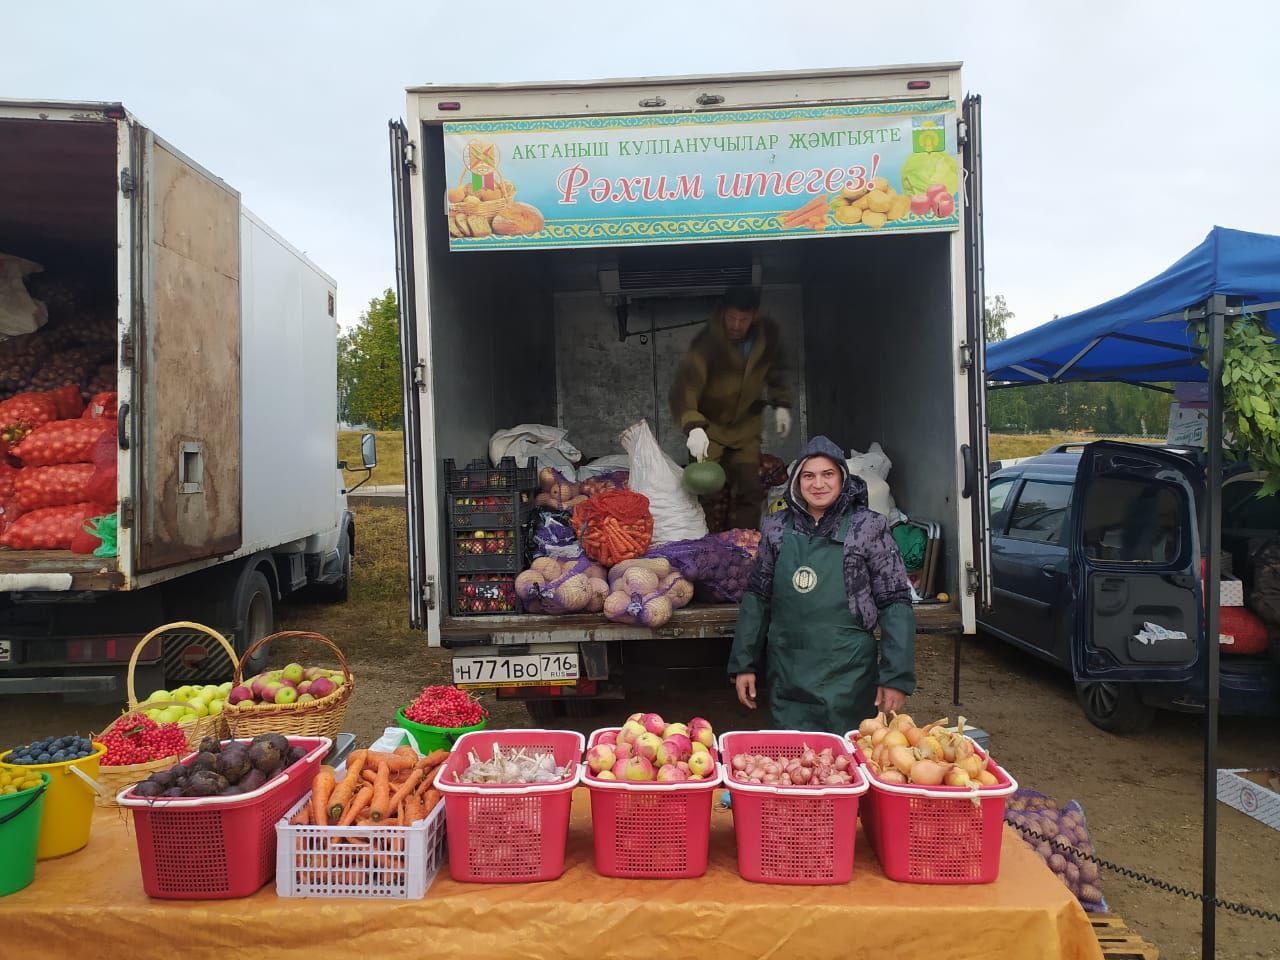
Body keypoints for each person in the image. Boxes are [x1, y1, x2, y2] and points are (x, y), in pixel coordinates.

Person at [727, 436, 917, 732]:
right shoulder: (776, 527)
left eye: (827, 474)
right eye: (808, 476)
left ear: (842, 478)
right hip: (788, 671)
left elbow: (894, 602)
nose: (818, 484)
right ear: (796, 483)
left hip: (848, 673)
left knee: (845, 764)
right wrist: (744, 664)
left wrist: (896, 677)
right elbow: (758, 597)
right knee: (792, 764)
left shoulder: (867, 526)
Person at [669, 285, 792, 531]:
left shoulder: (767, 337)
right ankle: (708, 547)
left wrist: (782, 404)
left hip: (745, 427)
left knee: (749, 488)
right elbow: (686, 388)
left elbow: (776, 371)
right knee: (707, 491)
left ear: (754, 316)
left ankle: (745, 547)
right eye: (731, 318)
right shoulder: (706, 344)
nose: (736, 325)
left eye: (743, 319)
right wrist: (693, 426)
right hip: (709, 427)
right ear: (723, 313)